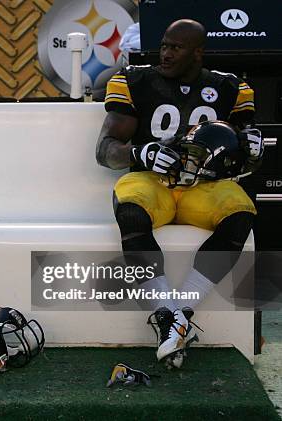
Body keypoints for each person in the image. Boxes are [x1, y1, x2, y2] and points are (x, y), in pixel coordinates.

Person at [95, 19, 264, 368]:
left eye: (176, 47)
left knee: (241, 213)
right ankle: (168, 315)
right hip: (152, 180)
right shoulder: (134, 79)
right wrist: (141, 152)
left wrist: (253, 148)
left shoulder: (230, 87)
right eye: (165, 45)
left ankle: (179, 311)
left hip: (203, 185)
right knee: (129, 211)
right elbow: (105, 150)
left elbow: (243, 155)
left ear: (198, 52)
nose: (165, 54)